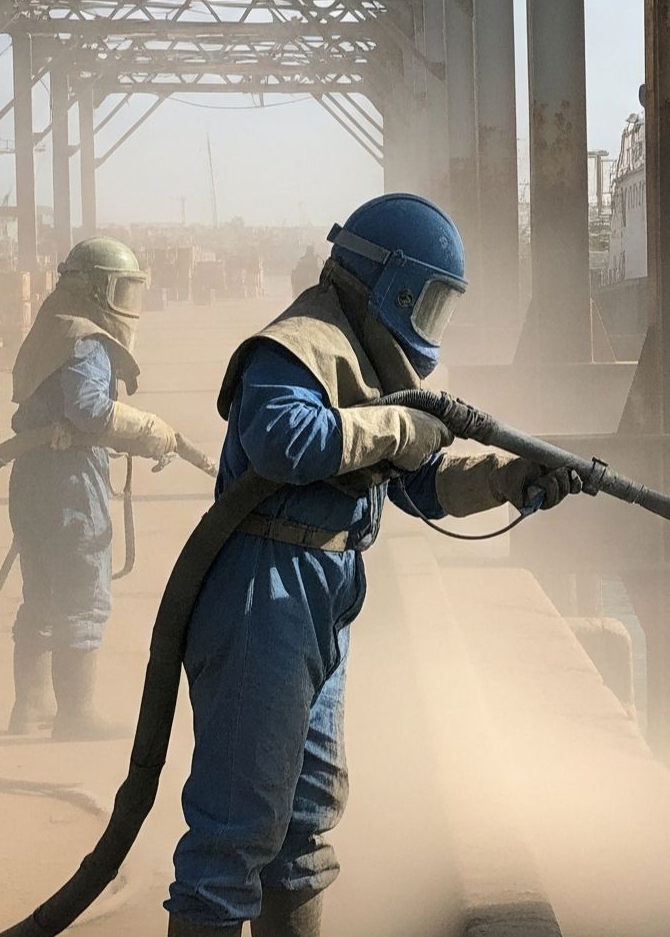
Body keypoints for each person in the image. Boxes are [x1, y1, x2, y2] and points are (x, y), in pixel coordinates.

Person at [167, 193, 580, 937]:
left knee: (304, 822)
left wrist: (507, 478)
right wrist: (397, 425)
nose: (430, 328)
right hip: (264, 591)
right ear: (387, 288)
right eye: (427, 305)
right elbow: (282, 439)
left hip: (321, 595)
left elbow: (421, 481)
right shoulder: (295, 346)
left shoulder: (370, 363)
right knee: (235, 834)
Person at [6, 237, 186, 739]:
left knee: (40, 591)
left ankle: (30, 707)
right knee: (82, 591)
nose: (127, 305)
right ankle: (75, 714)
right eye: (121, 291)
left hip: (31, 475)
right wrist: (147, 430)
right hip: (69, 480)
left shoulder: (53, 327)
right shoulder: (86, 339)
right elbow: (88, 409)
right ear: (92, 289)